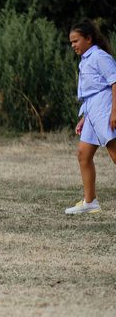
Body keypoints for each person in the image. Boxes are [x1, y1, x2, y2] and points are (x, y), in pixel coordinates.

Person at [65, 19, 116, 215]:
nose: (73, 46)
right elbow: (90, 90)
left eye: (76, 41)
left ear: (89, 38)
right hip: (92, 110)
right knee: (83, 155)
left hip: (105, 107)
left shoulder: (100, 57)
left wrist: (114, 112)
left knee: (114, 154)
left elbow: (114, 82)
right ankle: (90, 201)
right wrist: (85, 117)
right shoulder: (85, 59)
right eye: (71, 42)